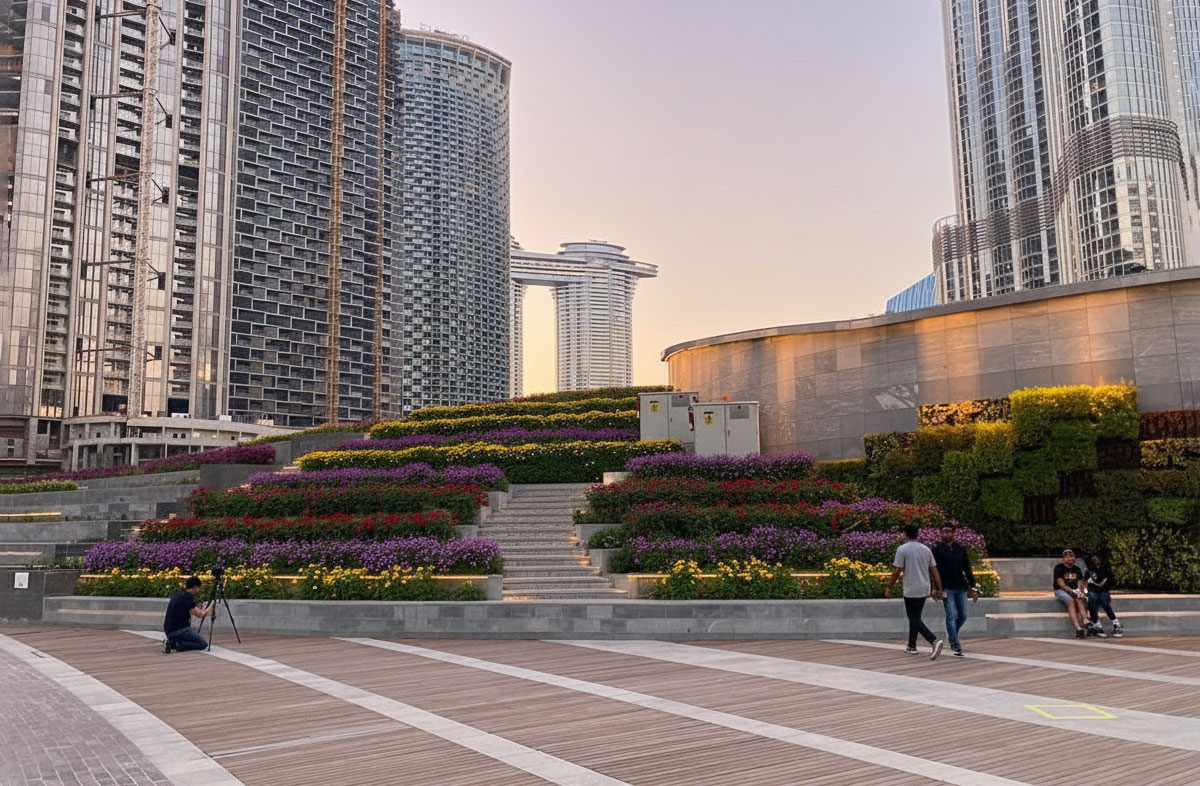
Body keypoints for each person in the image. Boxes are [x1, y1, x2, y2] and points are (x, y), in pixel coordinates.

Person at [885, 524, 945, 659]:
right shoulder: (926, 549)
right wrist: (939, 589)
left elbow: (897, 571)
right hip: (924, 588)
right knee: (916, 617)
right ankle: (911, 646)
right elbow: (934, 571)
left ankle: (933, 640)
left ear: (905, 534)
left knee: (913, 618)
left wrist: (889, 587)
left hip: (911, 589)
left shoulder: (902, 549)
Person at [931, 524, 979, 657]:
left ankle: (952, 635)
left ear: (953, 533)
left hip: (961, 586)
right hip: (947, 587)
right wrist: (936, 588)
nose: (945, 534)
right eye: (943, 531)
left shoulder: (960, 548)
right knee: (951, 615)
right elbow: (934, 570)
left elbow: (967, 568)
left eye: (948, 531)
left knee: (963, 615)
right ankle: (955, 644)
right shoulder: (937, 549)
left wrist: (973, 587)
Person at [162, 576, 214, 653]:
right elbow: (200, 615)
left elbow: (194, 612)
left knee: (193, 638)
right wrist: (209, 608)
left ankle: (172, 642)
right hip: (181, 629)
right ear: (195, 587)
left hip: (169, 630)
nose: (198, 591)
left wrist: (203, 608)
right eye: (199, 588)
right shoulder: (188, 597)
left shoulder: (179, 595)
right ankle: (173, 644)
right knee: (202, 644)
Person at [1053, 549, 1090, 638]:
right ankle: (1078, 628)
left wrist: (1080, 590)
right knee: (1071, 601)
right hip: (1061, 590)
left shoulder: (1077, 569)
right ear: (1064, 558)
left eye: (1072, 557)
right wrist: (1070, 591)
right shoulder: (1059, 568)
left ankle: (1086, 621)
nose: (1071, 559)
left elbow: (1080, 582)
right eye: (1068, 557)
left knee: (1080, 599)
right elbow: (1060, 583)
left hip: (1074, 589)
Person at [1085, 554, 1123, 638]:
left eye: (1097, 558)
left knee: (1104, 601)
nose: (1095, 560)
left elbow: (1110, 582)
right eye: (1093, 559)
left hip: (1103, 591)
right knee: (1092, 599)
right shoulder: (1089, 570)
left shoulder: (1106, 569)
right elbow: (1086, 581)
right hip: (1093, 591)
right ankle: (1097, 624)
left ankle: (1116, 624)